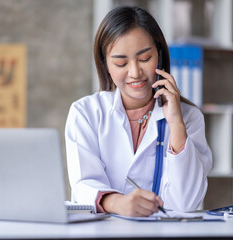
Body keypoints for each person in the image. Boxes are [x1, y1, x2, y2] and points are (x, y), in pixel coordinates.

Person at [65, 6, 212, 217]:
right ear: (106, 65)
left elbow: (186, 203)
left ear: (159, 55)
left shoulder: (189, 117)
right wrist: (118, 203)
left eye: (144, 59)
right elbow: (82, 186)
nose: (135, 73)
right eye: (121, 62)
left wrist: (176, 124)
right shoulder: (86, 113)